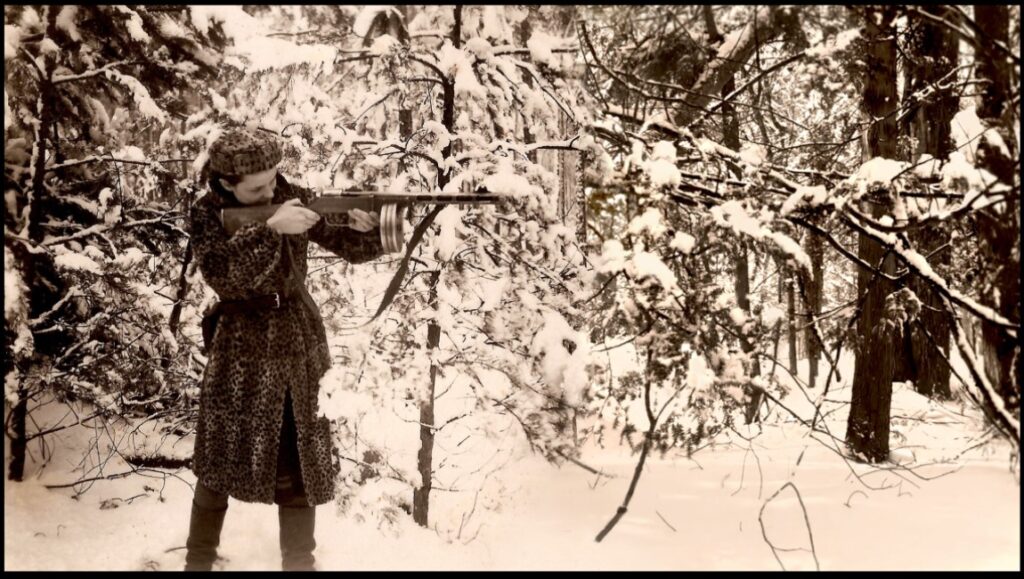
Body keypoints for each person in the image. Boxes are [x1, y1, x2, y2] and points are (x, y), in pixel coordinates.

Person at [184, 128, 384, 571]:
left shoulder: (293, 196)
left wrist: (369, 228)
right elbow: (225, 277)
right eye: (258, 188)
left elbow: (349, 246)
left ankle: (300, 566)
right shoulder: (205, 214)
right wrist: (269, 230)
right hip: (238, 349)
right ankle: (197, 563)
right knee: (217, 466)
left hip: (297, 347)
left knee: (299, 471)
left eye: (274, 180)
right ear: (225, 184)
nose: (273, 190)